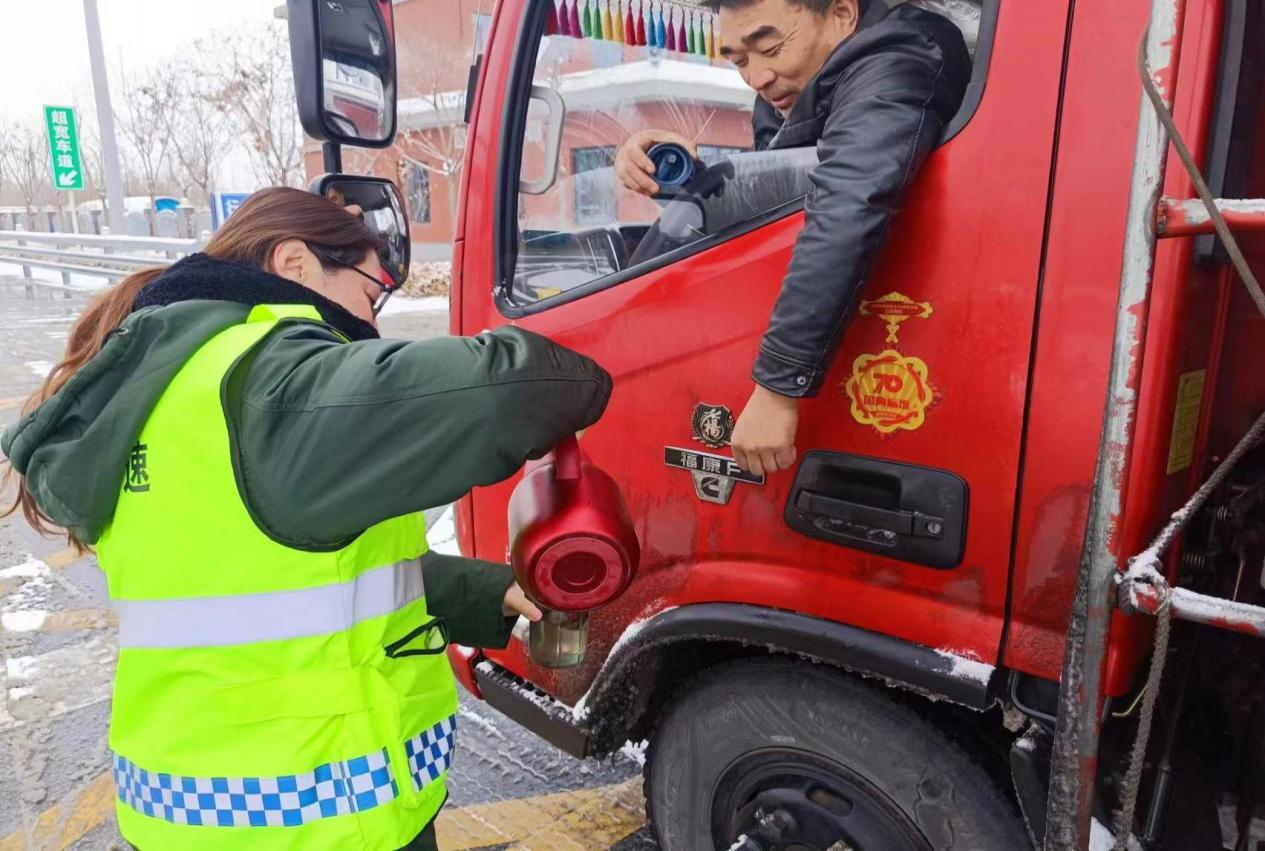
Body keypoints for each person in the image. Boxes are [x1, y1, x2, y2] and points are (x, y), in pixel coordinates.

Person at [0, 187, 612, 851]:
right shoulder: (272, 383)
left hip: (184, 805)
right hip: (311, 815)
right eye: (371, 292)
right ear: (294, 264)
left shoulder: (159, 388)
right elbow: (514, 391)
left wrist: (483, 592)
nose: (371, 321)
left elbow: (275, 578)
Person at [615, 0, 970, 476]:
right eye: (739, 61)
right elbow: (783, 203)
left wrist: (777, 390)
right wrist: (678, 179)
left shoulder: (898, 57)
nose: (756, 78)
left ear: (842, 14)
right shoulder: (805, 88)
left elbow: (847, 201)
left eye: (768, 47)